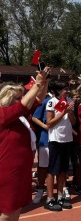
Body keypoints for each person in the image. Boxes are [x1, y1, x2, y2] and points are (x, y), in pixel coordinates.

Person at [0, 67, 50, 221]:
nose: (21, 100)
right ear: (7, 99)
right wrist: (37, 84)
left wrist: (45, 82)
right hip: (8, 172)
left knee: (16, 209)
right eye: (17, 97)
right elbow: (23, 104)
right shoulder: (3, 113)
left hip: (20, 172)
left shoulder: (19, 116)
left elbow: (38, 100)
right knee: (9, 211)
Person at [45, 82, 76, 211]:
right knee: (53, 170)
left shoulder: (69, 101)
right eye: (64, 89)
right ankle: (50, 199)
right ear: (58, 91)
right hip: (55, 140)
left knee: (63, 170)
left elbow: (73, 122)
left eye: (68, 89)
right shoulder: (51, 102)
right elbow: (49, 123)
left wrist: (69, 112)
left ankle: (60, 197)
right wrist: (64, 112)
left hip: (67, 139)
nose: (67, 92)